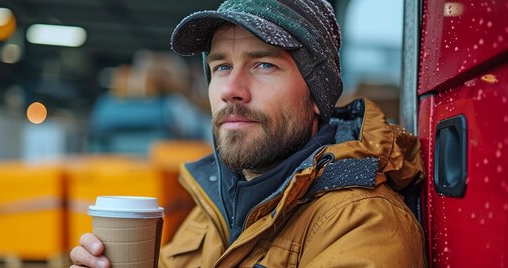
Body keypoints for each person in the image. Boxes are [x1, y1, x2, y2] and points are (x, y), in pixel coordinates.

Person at [70, 0, 426, 267]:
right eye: (221, 66)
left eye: (264, 64)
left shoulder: (362, 223)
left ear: (317, 96)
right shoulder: (212, 206)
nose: (231, 89)